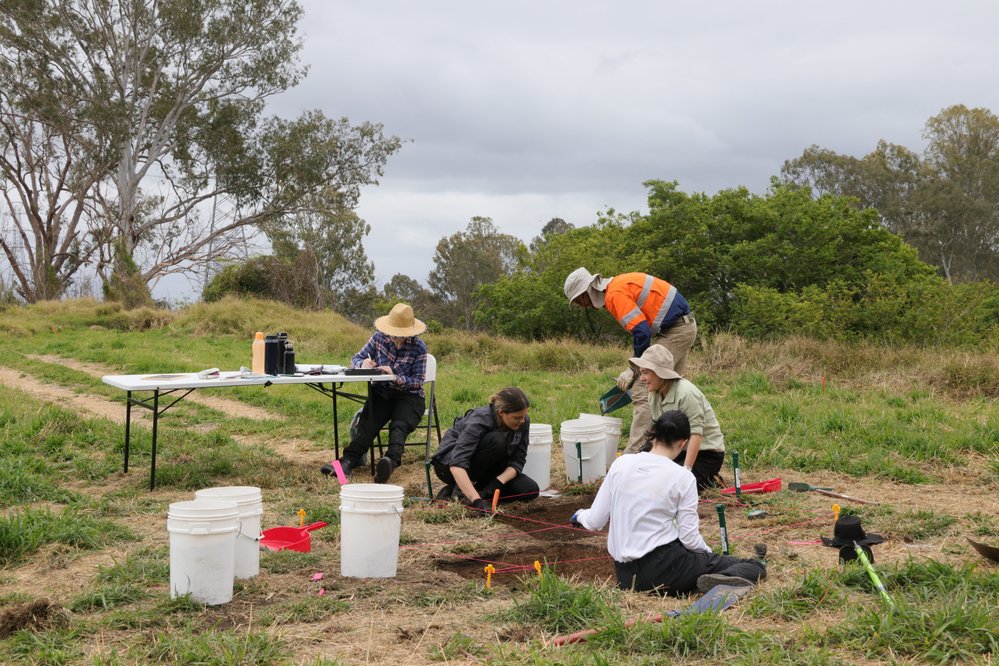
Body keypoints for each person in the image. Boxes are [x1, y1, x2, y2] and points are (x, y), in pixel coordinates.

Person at [571, 410, 766, 596]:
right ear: (683, 443)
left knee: (694, 561)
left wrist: (579, 515)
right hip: (665, 570)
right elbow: (689, 537)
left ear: (652, 436)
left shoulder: (621, 464)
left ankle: (709, 579)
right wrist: (708, 556)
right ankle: (721, 578)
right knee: (754, 567)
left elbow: (595, 520)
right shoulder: (682, 477)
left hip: (625, 576)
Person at [564, 267, 697, 454]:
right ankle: (677, 449)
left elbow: (641, 331)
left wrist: (635, 369)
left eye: (579, 301)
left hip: (675, 331)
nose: (582, 306)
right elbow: (643, 329)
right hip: (681, 327)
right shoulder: (617, 286)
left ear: (588, 292)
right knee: (670, 392)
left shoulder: (614, 294)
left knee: (644, 388)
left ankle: (633, 456)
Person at [323, 303, 428, 484]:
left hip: (409, 395)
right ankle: (345, 465)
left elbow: (418, 381)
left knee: (399, 425)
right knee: (368, 424)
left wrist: (394, 376)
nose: (395, 336)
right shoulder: (379, 337)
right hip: (381, 391)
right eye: (393, 331)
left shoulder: (419, 347)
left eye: (399, 333)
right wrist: (363, 363)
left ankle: (389, 463)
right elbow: (355, 359)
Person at [630, 344, 725, 493]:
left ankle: (709, 479)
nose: (642, 379)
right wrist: (642, 457)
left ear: (659, 373)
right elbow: (658, 432)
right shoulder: (653, 395)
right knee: (647, 478)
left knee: (674, 488)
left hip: (705, 453)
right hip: (676, 449)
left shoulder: (685, 393)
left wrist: (685, 472)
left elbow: (696, 434)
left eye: (645, 373)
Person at [431, 387, 540, 513]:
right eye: (517, 418)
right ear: (501, 412)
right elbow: (457, 463)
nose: (522, 421)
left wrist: (498, 482)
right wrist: (477, 501)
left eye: (524, 416)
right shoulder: (480, 420)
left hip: (487, 468)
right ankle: (463, 492)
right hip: (449, 467)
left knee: (530, 489)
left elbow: (518, 460)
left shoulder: (523, 421)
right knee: (496, 440)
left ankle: (467, 490)